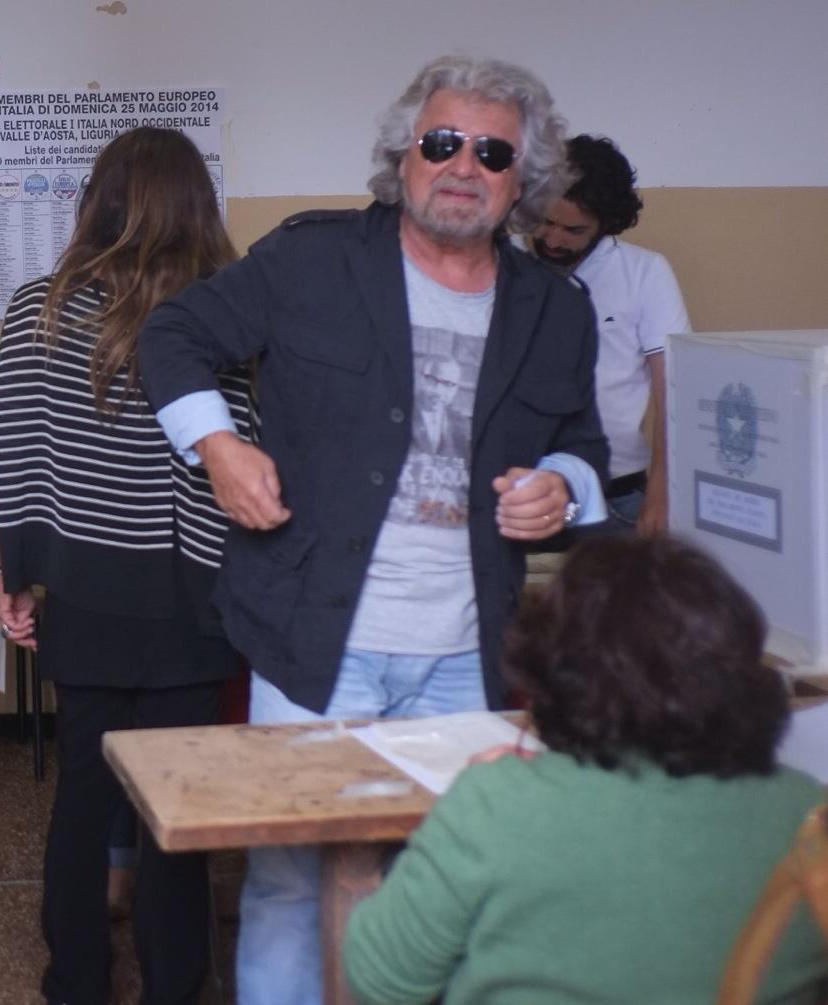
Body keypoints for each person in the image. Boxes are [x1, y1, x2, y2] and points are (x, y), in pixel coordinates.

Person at [137, 55, 610, 1004]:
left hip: (465, 652)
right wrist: (218, 447)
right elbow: (171, 336)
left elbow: (584, 445)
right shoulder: (311, 259)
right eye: (442, 143)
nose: (463, 165)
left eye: (492, 153)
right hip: (312, 639)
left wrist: (565, 487)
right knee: (288, 878)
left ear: (522, 180)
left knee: (450, 877)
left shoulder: (557, 309)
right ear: (405, 156)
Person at [0, 126, 254, 1005]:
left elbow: (8, 453)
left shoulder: (41, 306)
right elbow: (250, 457)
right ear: (196, 204)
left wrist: (10, 577)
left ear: (98, 200)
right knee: (175, 805)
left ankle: (77, 981)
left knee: (83, 794)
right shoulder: (225, 314)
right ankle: (175, 985)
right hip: (191, 594)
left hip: (84, 586)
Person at [342, 535, 828, 1004]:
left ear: (553, 673)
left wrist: (465, 814)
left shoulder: (497, 802)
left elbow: (380, 980)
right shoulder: (807, 811)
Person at [531, 135, 691, 534]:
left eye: (573, 230)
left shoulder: (644, 272)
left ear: (606, 224)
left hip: (617, 496)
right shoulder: (504, 265)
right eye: (545, 222)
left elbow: (673, 389)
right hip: (518, 494)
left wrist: (660, 495)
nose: (553, 239)